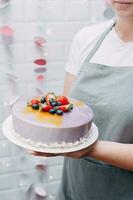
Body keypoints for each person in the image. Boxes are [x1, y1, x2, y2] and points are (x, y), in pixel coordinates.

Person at [30, 0, 133, 199]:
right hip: (76, 188)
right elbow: (68, 113)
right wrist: (42, 130)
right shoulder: (87, 38)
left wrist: (89, 148)